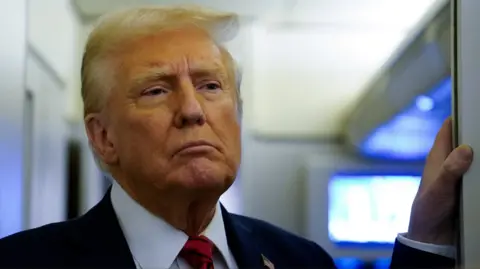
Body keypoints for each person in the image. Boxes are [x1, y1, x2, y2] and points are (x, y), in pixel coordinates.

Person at [0, 5, 473, 269]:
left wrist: (427, 235)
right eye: (156, 90)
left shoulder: (301, 263)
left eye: (210, 86)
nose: (191, 110)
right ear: (103, 138)